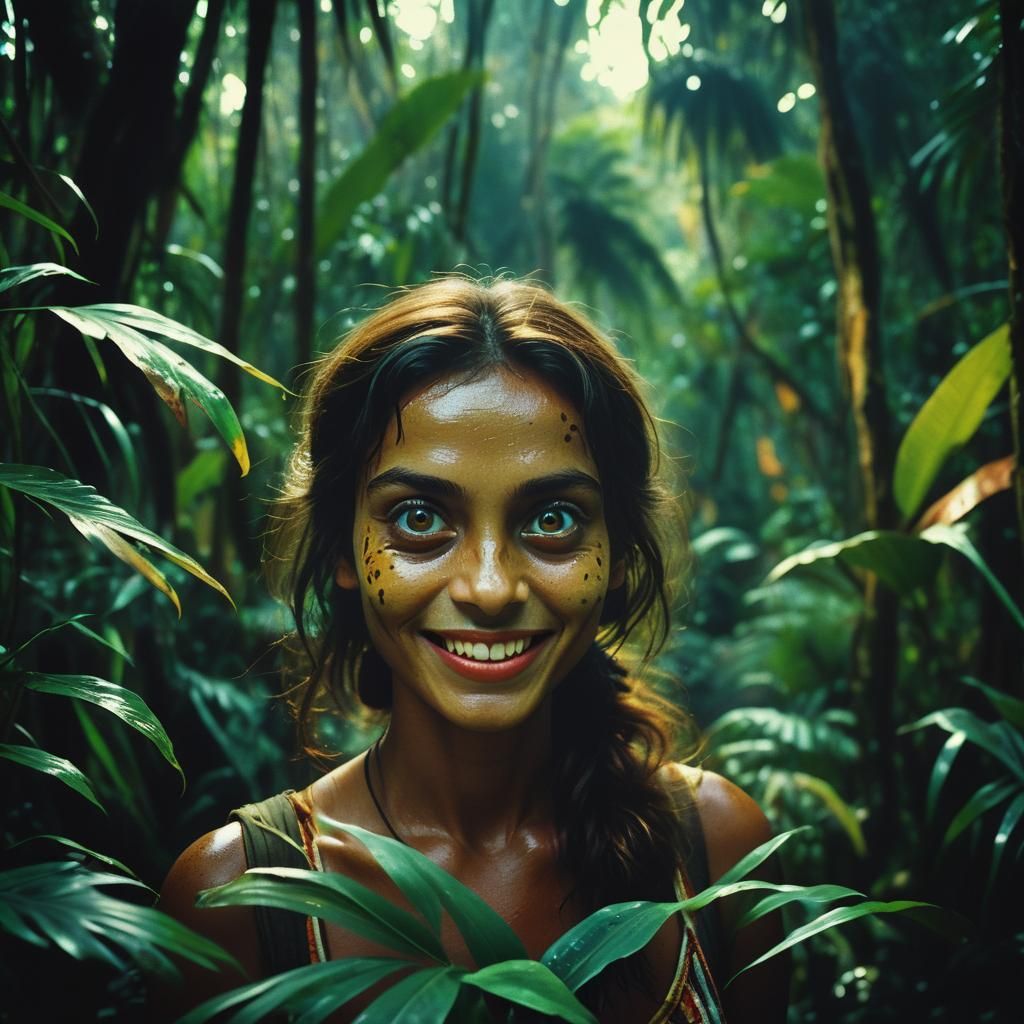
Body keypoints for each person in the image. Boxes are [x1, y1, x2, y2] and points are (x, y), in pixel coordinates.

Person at [159, 276, 789, 1022]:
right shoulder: (238, 899)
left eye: (553, 519)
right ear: (342, 547)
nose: (490, 588)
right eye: (420, 517)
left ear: (618, 551)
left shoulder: (714, 853)